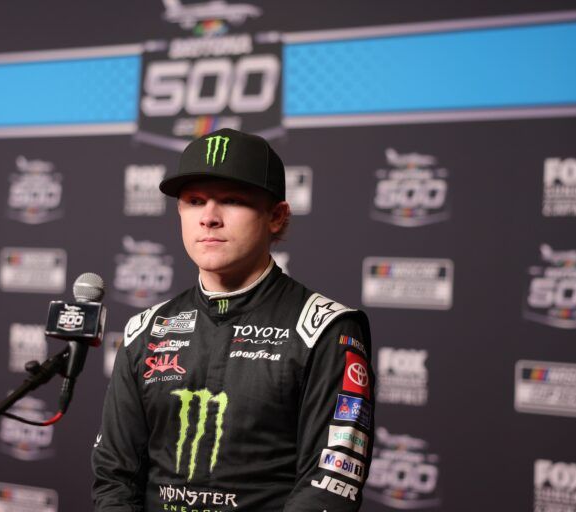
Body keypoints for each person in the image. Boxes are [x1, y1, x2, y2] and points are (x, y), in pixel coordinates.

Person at [92, 128, 374, 511]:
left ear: (276, 216)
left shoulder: (326, 329)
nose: (209, 218)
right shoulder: (146, 330)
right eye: (194, 201)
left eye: (232, 200)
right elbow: (114, 476)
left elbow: (330, 484)